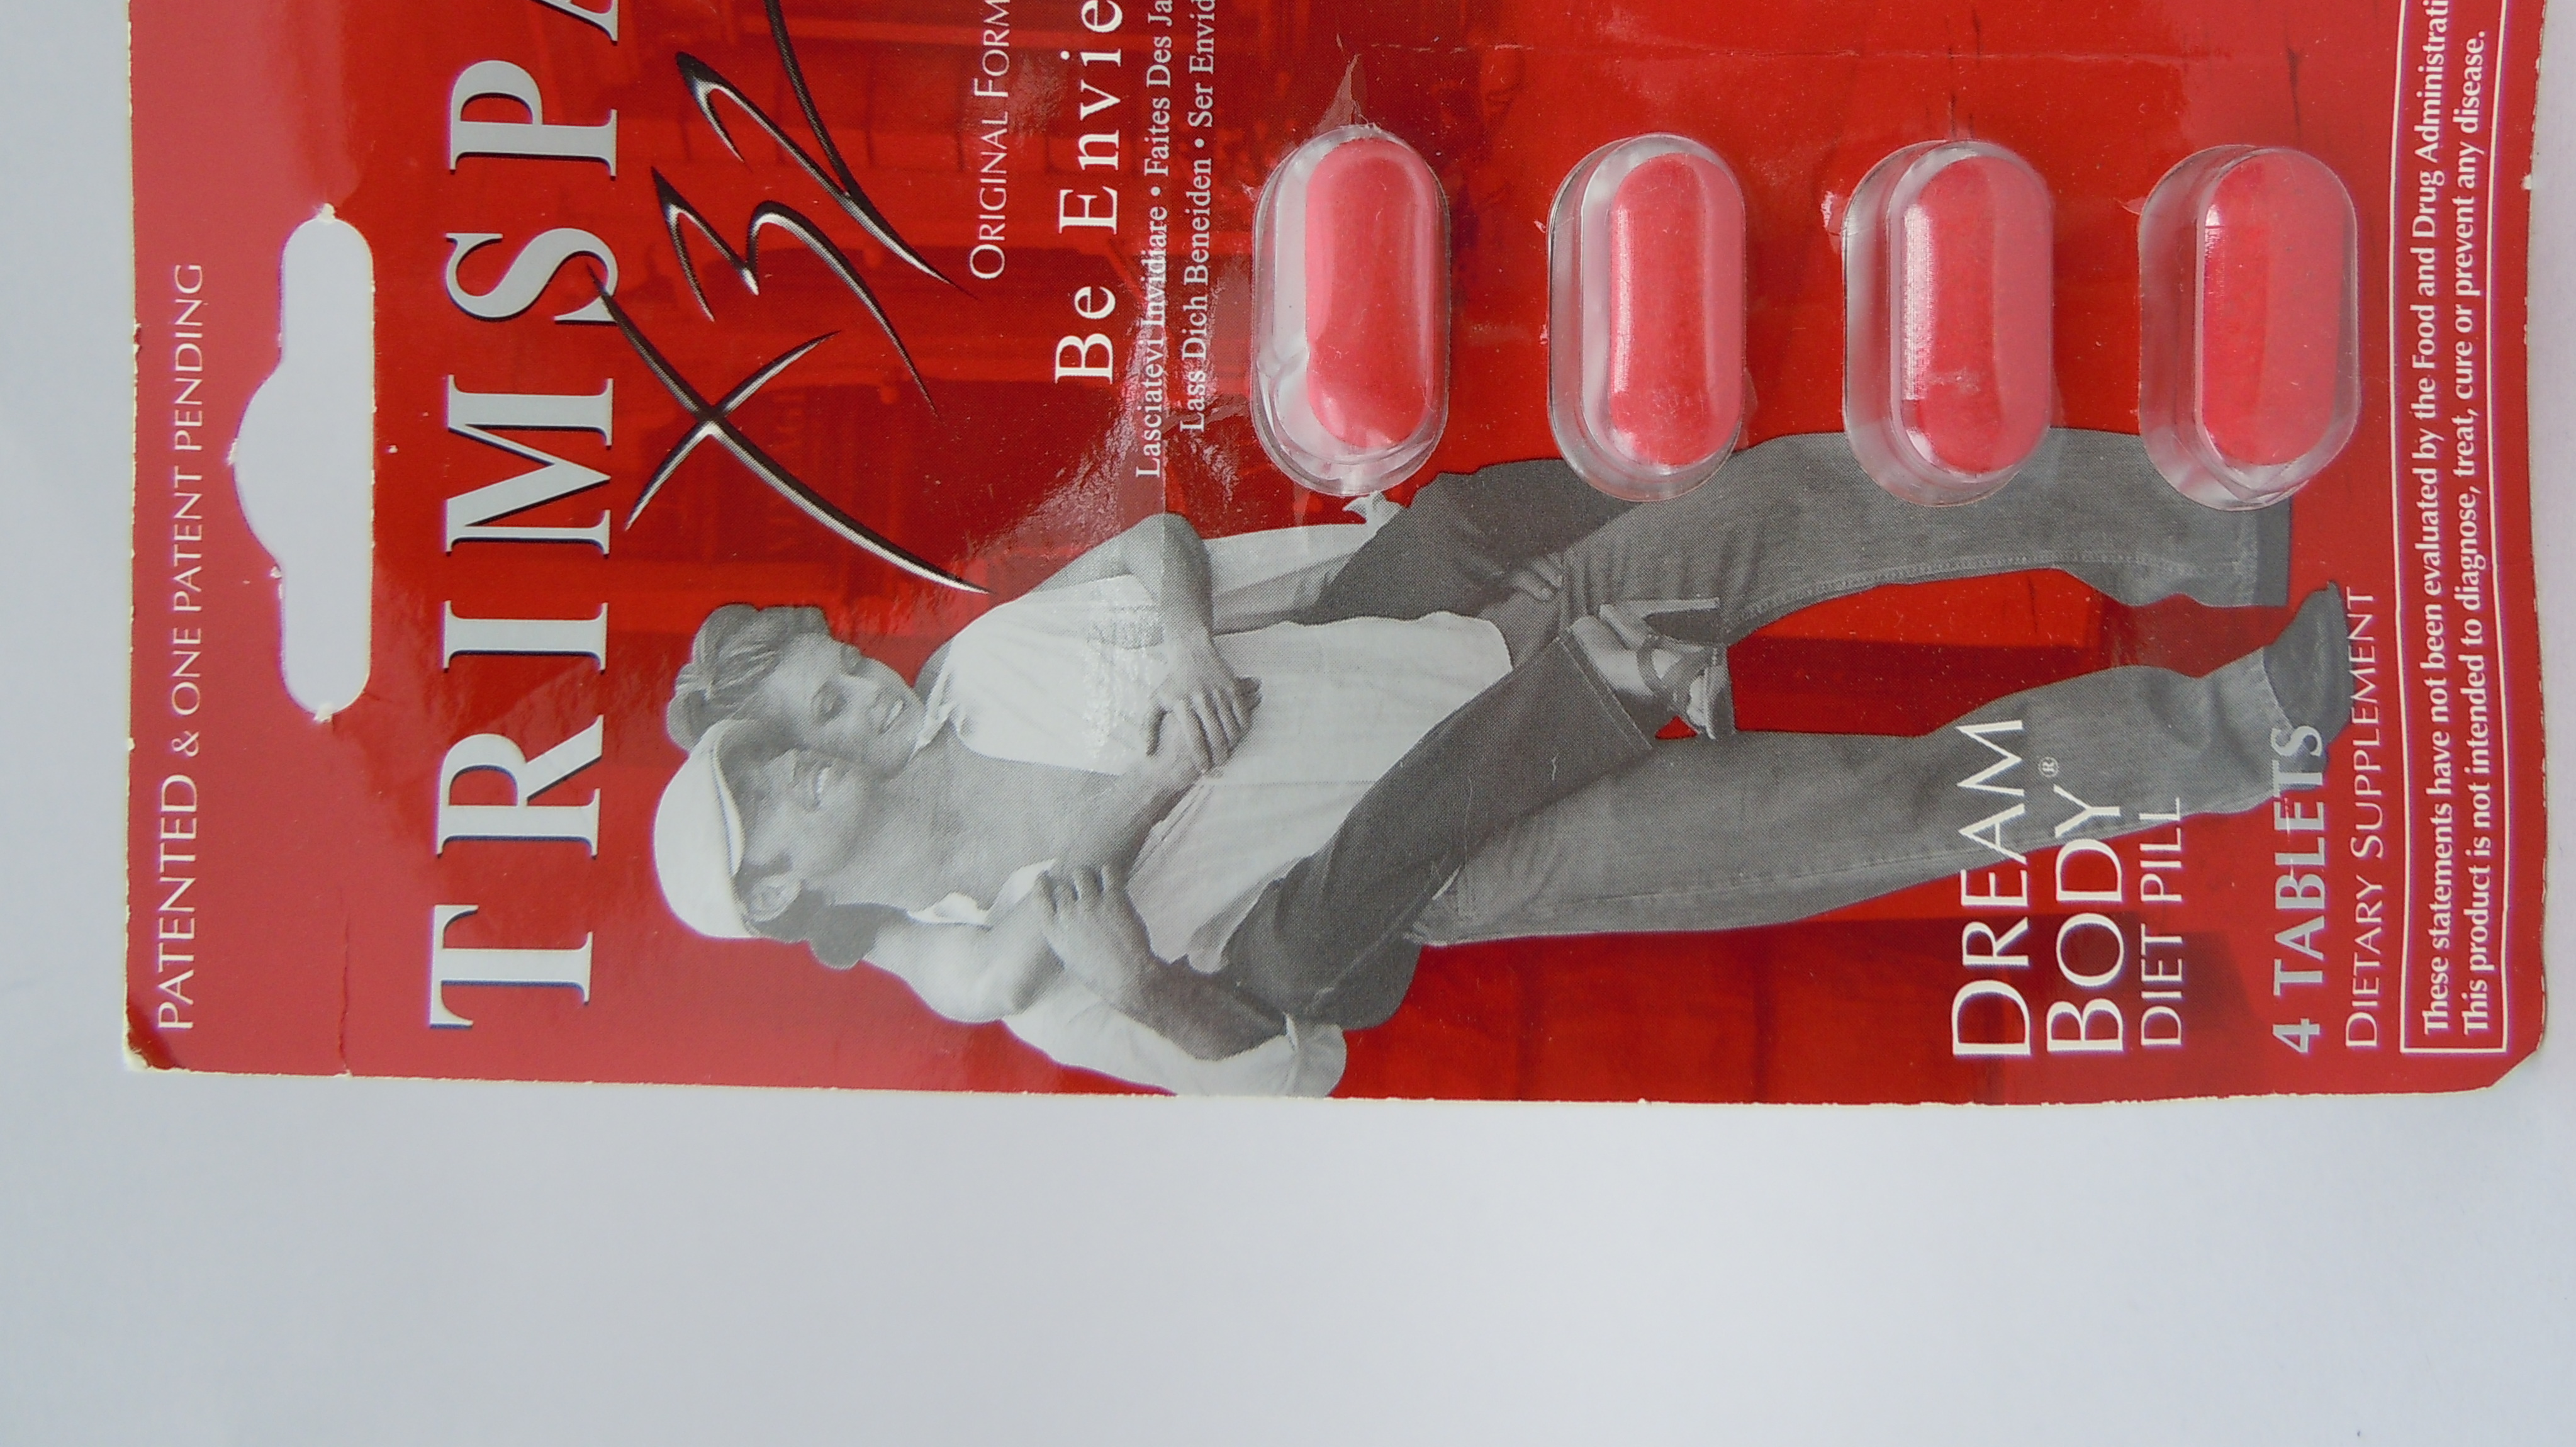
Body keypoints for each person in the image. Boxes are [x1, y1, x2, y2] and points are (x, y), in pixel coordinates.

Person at [654, 430, 2346, 1093]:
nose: (792, 767)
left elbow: (1217, 571)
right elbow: (1286, 1065)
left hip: (1473, 641)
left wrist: (1209, 620)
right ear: (784, 887)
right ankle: (2240, 736)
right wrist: (1148, 992)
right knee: (1878, 807)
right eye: (762, 805)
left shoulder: (983, 672)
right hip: (1496, 845)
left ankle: (2197, 528)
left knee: (1793, 499)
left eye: (766, 755)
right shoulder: (1016, 981)